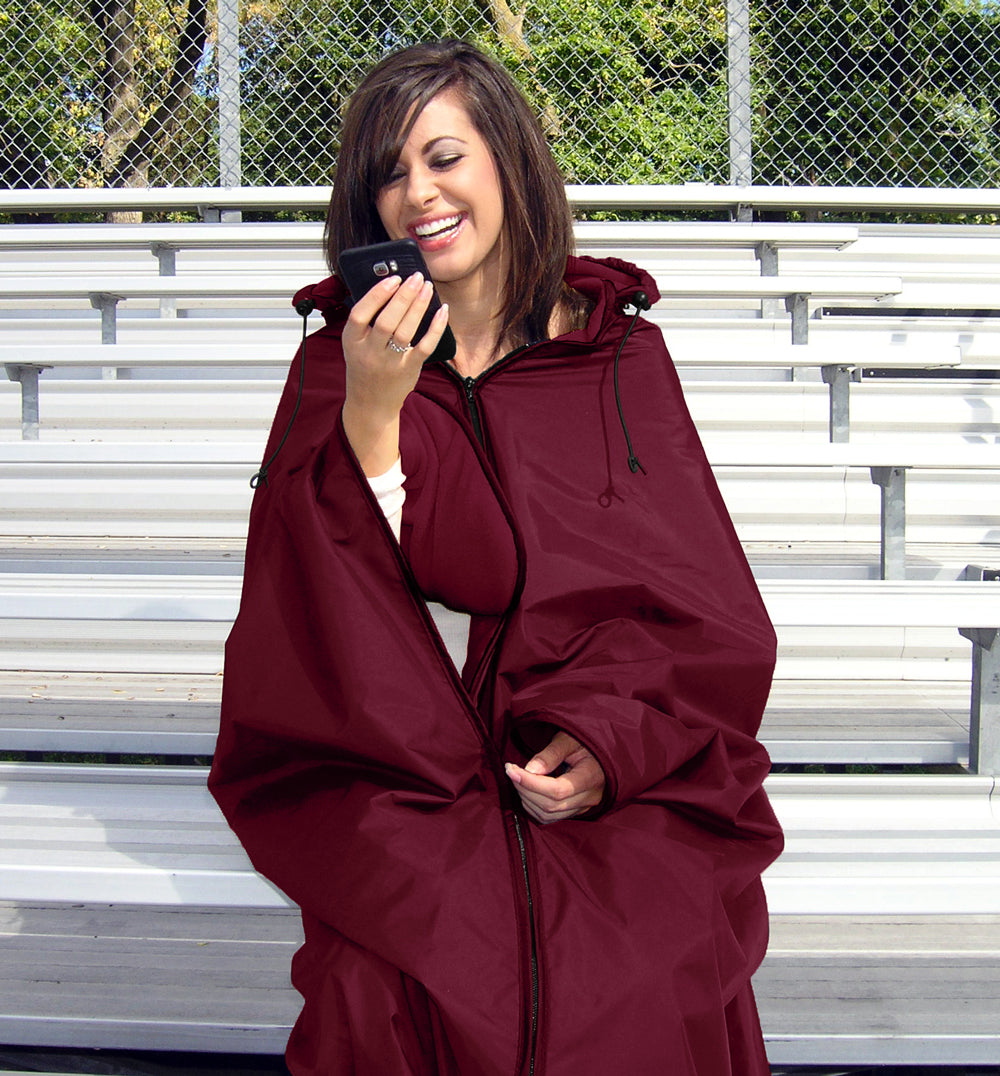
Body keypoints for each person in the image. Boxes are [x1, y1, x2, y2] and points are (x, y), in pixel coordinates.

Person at [209, 38, 783, 1076]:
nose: (416, 194)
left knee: (648, 966)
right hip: (399, 777)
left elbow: (705, 612)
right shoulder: (332, 371)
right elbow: (311, 613)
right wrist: (376, 414)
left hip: (604, 766)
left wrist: (609, 747)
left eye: (442, 157)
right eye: (388, 173)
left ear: (508, 162)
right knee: (378, 983)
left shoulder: (615, 356)